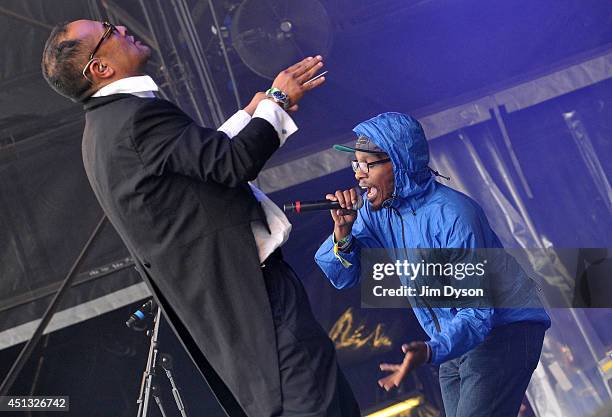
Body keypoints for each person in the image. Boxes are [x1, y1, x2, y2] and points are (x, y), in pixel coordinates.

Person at [42, 19, 360, 417]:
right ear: (100, 68)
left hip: (242, 310)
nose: (122, 27)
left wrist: (255, 113)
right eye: (108, 31)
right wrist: (276, 100)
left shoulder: (106, 128)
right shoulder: (134, 119)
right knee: (316, 404)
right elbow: (231, 163)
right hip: (255, 302)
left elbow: (200, 162)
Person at [315, 112, 551, 417]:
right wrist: (343, 233)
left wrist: (431, 350)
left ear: (399, 163)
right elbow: (338, 274)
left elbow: (479, 313)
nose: (358, 175)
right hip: (453, 339)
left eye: (366, 165)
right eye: (355, 165)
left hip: (502, 330)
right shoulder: (378, 212)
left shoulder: (454, 216)